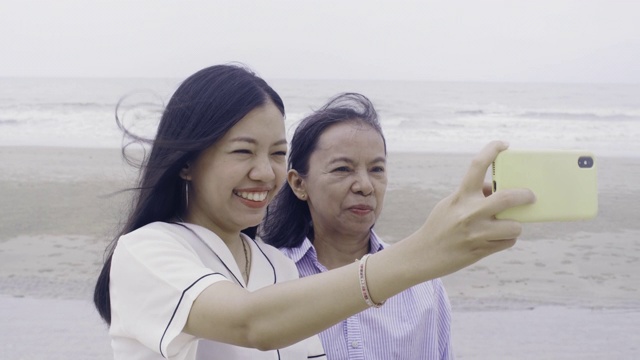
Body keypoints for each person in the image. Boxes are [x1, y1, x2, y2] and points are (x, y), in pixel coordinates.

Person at [93, 64, 535, 360]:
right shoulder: (148, 250)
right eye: (243, 151)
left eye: (277, 153)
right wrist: (426, 251)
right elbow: (252, 323)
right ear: (188, 161)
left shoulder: (275, 265)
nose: (264, 172)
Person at [260, 93, 453, 359]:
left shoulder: (421, 283)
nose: (365, 186)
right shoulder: (267, 276)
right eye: (342, 169)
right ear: (298, 184)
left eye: (376, 170)